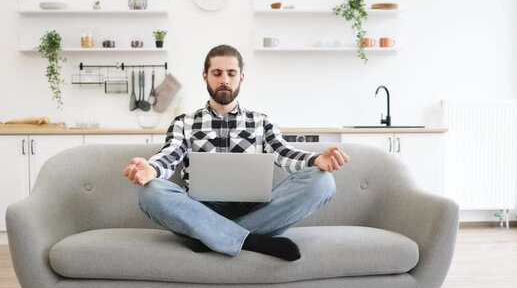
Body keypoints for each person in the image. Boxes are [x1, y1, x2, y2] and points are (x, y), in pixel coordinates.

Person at [122, 44, 349, 261]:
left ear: (241, 77)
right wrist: (151, 168)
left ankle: (209, 238)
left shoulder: (261, 122)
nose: (224, 80)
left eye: (231, 73)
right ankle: (251, 241)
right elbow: (170, 155)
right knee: (149, 191)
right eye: (217, 73)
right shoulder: (185, 123)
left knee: (323, 181)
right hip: (198, 209)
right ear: (205, 76)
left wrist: (316, 159)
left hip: (255, 211)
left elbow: (284, 153)